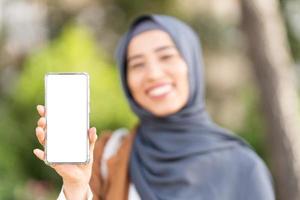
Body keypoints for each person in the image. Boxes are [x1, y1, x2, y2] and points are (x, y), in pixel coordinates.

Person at [34, 14, 275, 200]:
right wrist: (75, 186)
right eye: (137, 64)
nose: (153, 74)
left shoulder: (243, 167)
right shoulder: (109, 156)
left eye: (166, 56)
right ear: (126, 80)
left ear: (191, 63)